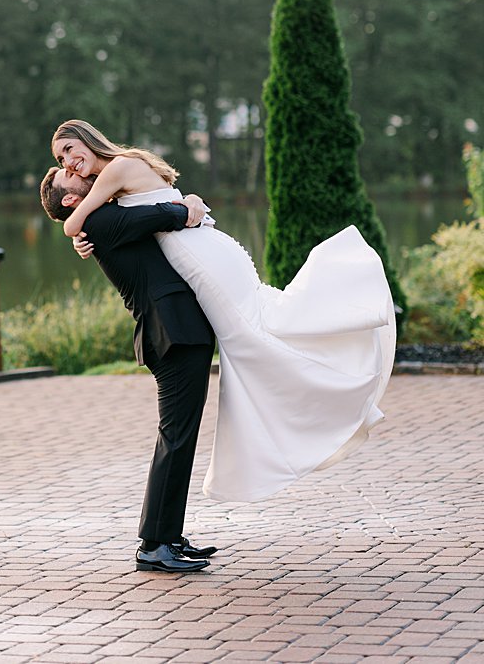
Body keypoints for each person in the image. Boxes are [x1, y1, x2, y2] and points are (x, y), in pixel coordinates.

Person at [45, 119, 395, 501]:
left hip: (199, 254)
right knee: (256, 335)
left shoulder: (115, 170)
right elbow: (117, 220)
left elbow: (74, 224)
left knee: (255, 332)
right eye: (61, 159)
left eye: (68, 150)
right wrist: (91, 235)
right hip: (204, 247)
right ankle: (324, 396)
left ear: (87, 139)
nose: (67, 163)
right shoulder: (116, 181)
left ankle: (327, 397)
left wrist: (80, 231)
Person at [40, 165, 217, 573]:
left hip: (176, 330)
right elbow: (166, 215)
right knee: (176, 437)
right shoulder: (99, 219)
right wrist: (188, 203)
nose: (79, 172)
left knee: (179, 437)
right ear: (71, 201)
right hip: (171, 331)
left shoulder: (97, 219)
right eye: (70, 175)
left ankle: (167, 537)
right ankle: (154, 546)